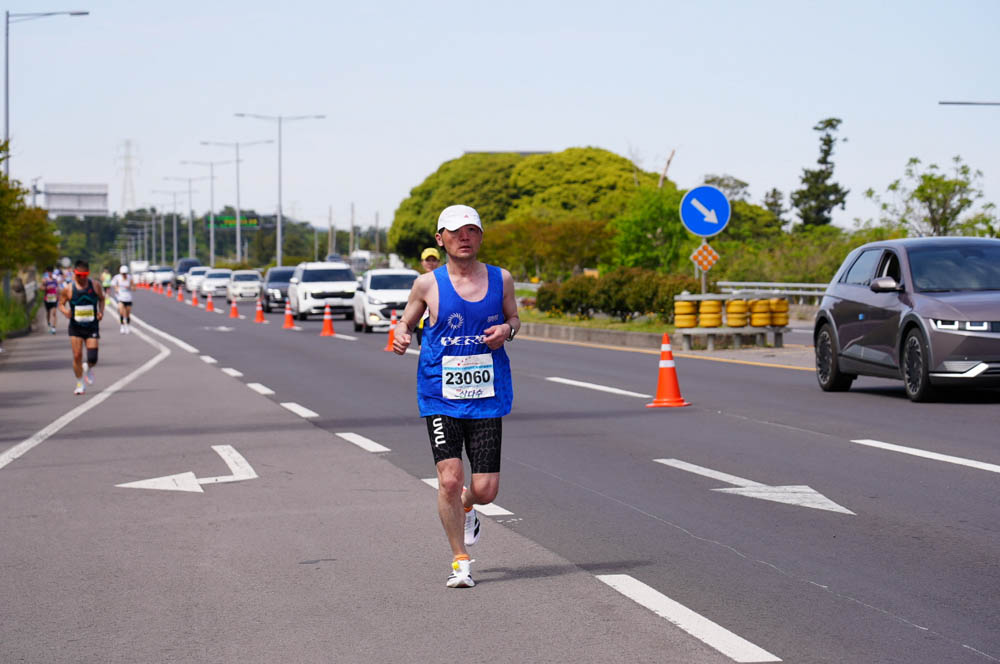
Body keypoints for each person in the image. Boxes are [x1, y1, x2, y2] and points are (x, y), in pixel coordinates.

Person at [393, 204, 519, 588]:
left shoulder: (502, 279)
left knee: (484, 489)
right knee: (449, 480)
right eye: (455, 231)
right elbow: (407, 320)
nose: (464, 237)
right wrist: (400, 333)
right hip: (440, 394)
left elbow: (514, 319)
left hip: (485, 395)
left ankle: (468, 507)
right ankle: (460, 560)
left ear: (480, 236)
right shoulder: (427, 284)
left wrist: (507, 331)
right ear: (440, 238)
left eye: (471, 230)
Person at [58, 259, 105, 395]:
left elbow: (102, 299)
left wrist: (101, 312)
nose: (82, 278)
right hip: (76, 327)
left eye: (85, 275)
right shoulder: (68, 289)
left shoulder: (95, 285)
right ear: (75, 274)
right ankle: (80, 383)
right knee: (77, 355)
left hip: (91, 326)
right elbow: (61, 304)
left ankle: (88, 368)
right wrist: (65, 311)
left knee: (93, 358)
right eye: (79, 275)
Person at [414, 247, 441, 347]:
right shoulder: (419, 282)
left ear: (438, 262)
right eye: (427, 260)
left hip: (440, 326)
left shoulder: (444, 280)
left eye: (433, 260)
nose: (430, 263)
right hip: (423, 326)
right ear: (422, 262)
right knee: (425, 358)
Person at [110, 265, 134, 334]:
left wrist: (130, 287)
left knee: (127, 314)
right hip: (120, 298)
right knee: (121, 311)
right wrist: (116, 288)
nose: (124, 275)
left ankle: (128, 326)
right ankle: (122, 326)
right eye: (123, 273)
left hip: (128, 298)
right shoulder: (117, 278)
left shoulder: (130, 278)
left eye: (125, 273)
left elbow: (134, 288)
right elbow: (113, 284)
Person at [42, 268, 61, 334]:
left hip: (54, 298)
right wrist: (46, 288)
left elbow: (58, 288)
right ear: (47, 273)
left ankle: (53, 327)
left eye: (51, 272)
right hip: (47, 298)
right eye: (49, 272)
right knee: (48, 313)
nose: (50, 273)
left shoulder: (55, 281)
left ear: (52, 273)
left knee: (54, 313)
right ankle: (49, 324)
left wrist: (58, 293)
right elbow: (41, 287)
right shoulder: (45, 280)